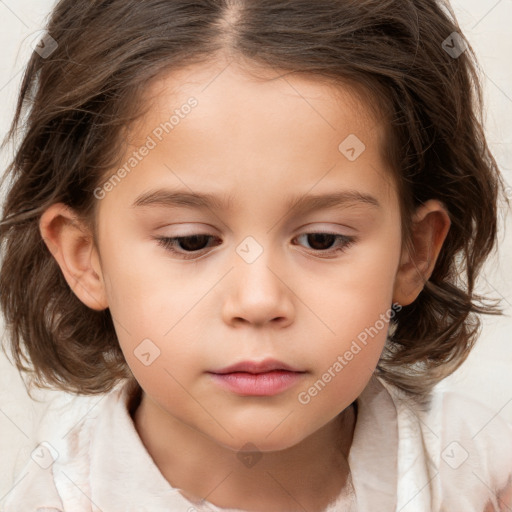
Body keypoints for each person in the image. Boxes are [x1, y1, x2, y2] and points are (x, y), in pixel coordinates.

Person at [0, 0, 511, 510]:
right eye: (191, 241)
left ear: (413, 253)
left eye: (322, 239)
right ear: (84, 256)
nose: (259, 300)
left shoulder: (483, 479)